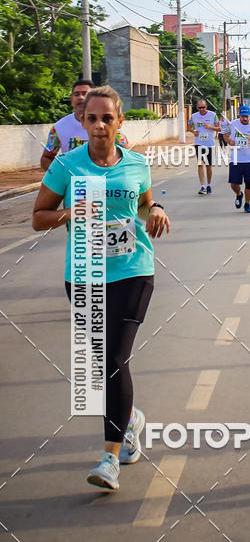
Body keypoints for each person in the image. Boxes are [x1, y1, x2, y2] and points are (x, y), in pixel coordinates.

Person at [32, 85, 171, 491]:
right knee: (97, 366)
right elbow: (39, 217)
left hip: (133, 270)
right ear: (82, 121)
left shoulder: (137, 164)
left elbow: (143, 204)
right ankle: (130, 419)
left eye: (106, 118)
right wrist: (70, 213)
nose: (98, 125)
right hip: (84, 272)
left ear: (119, 121)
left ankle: (109, 457)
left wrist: (157, 209)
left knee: (113, 358)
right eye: (91, 118)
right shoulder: (66, 166)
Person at [41, 79, 127, 171]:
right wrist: (60, 176)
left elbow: (127, 154)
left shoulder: (110, 128)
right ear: (71, 99)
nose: (81, 97)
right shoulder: (58, 128)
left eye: (85, 94)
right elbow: (46, 158)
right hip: (75, 183)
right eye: (76, 94)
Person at [225, 105, 250, 213]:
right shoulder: (232, 124)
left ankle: (247, 203)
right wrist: (229, 141)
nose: (244, 119)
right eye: (242, 116)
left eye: (246, 116)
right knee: (233, 183)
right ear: (239, 116)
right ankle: (239, 194)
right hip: (236, 158)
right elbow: (224, 135)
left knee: (249, 183)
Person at [188, 98, 219, 195]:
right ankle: (202, 186)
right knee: (200, 163)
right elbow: (189, 126)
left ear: (206, 107)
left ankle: (209, 184)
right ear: (197, 107)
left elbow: (219, 128)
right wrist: (193, 131)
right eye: (199, 108)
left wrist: (210, 127)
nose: (201, 109)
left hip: (210, 143)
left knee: (208, 165)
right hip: (199, 143)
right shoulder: (193, 116)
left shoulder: (213, 115)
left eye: (203, 107)